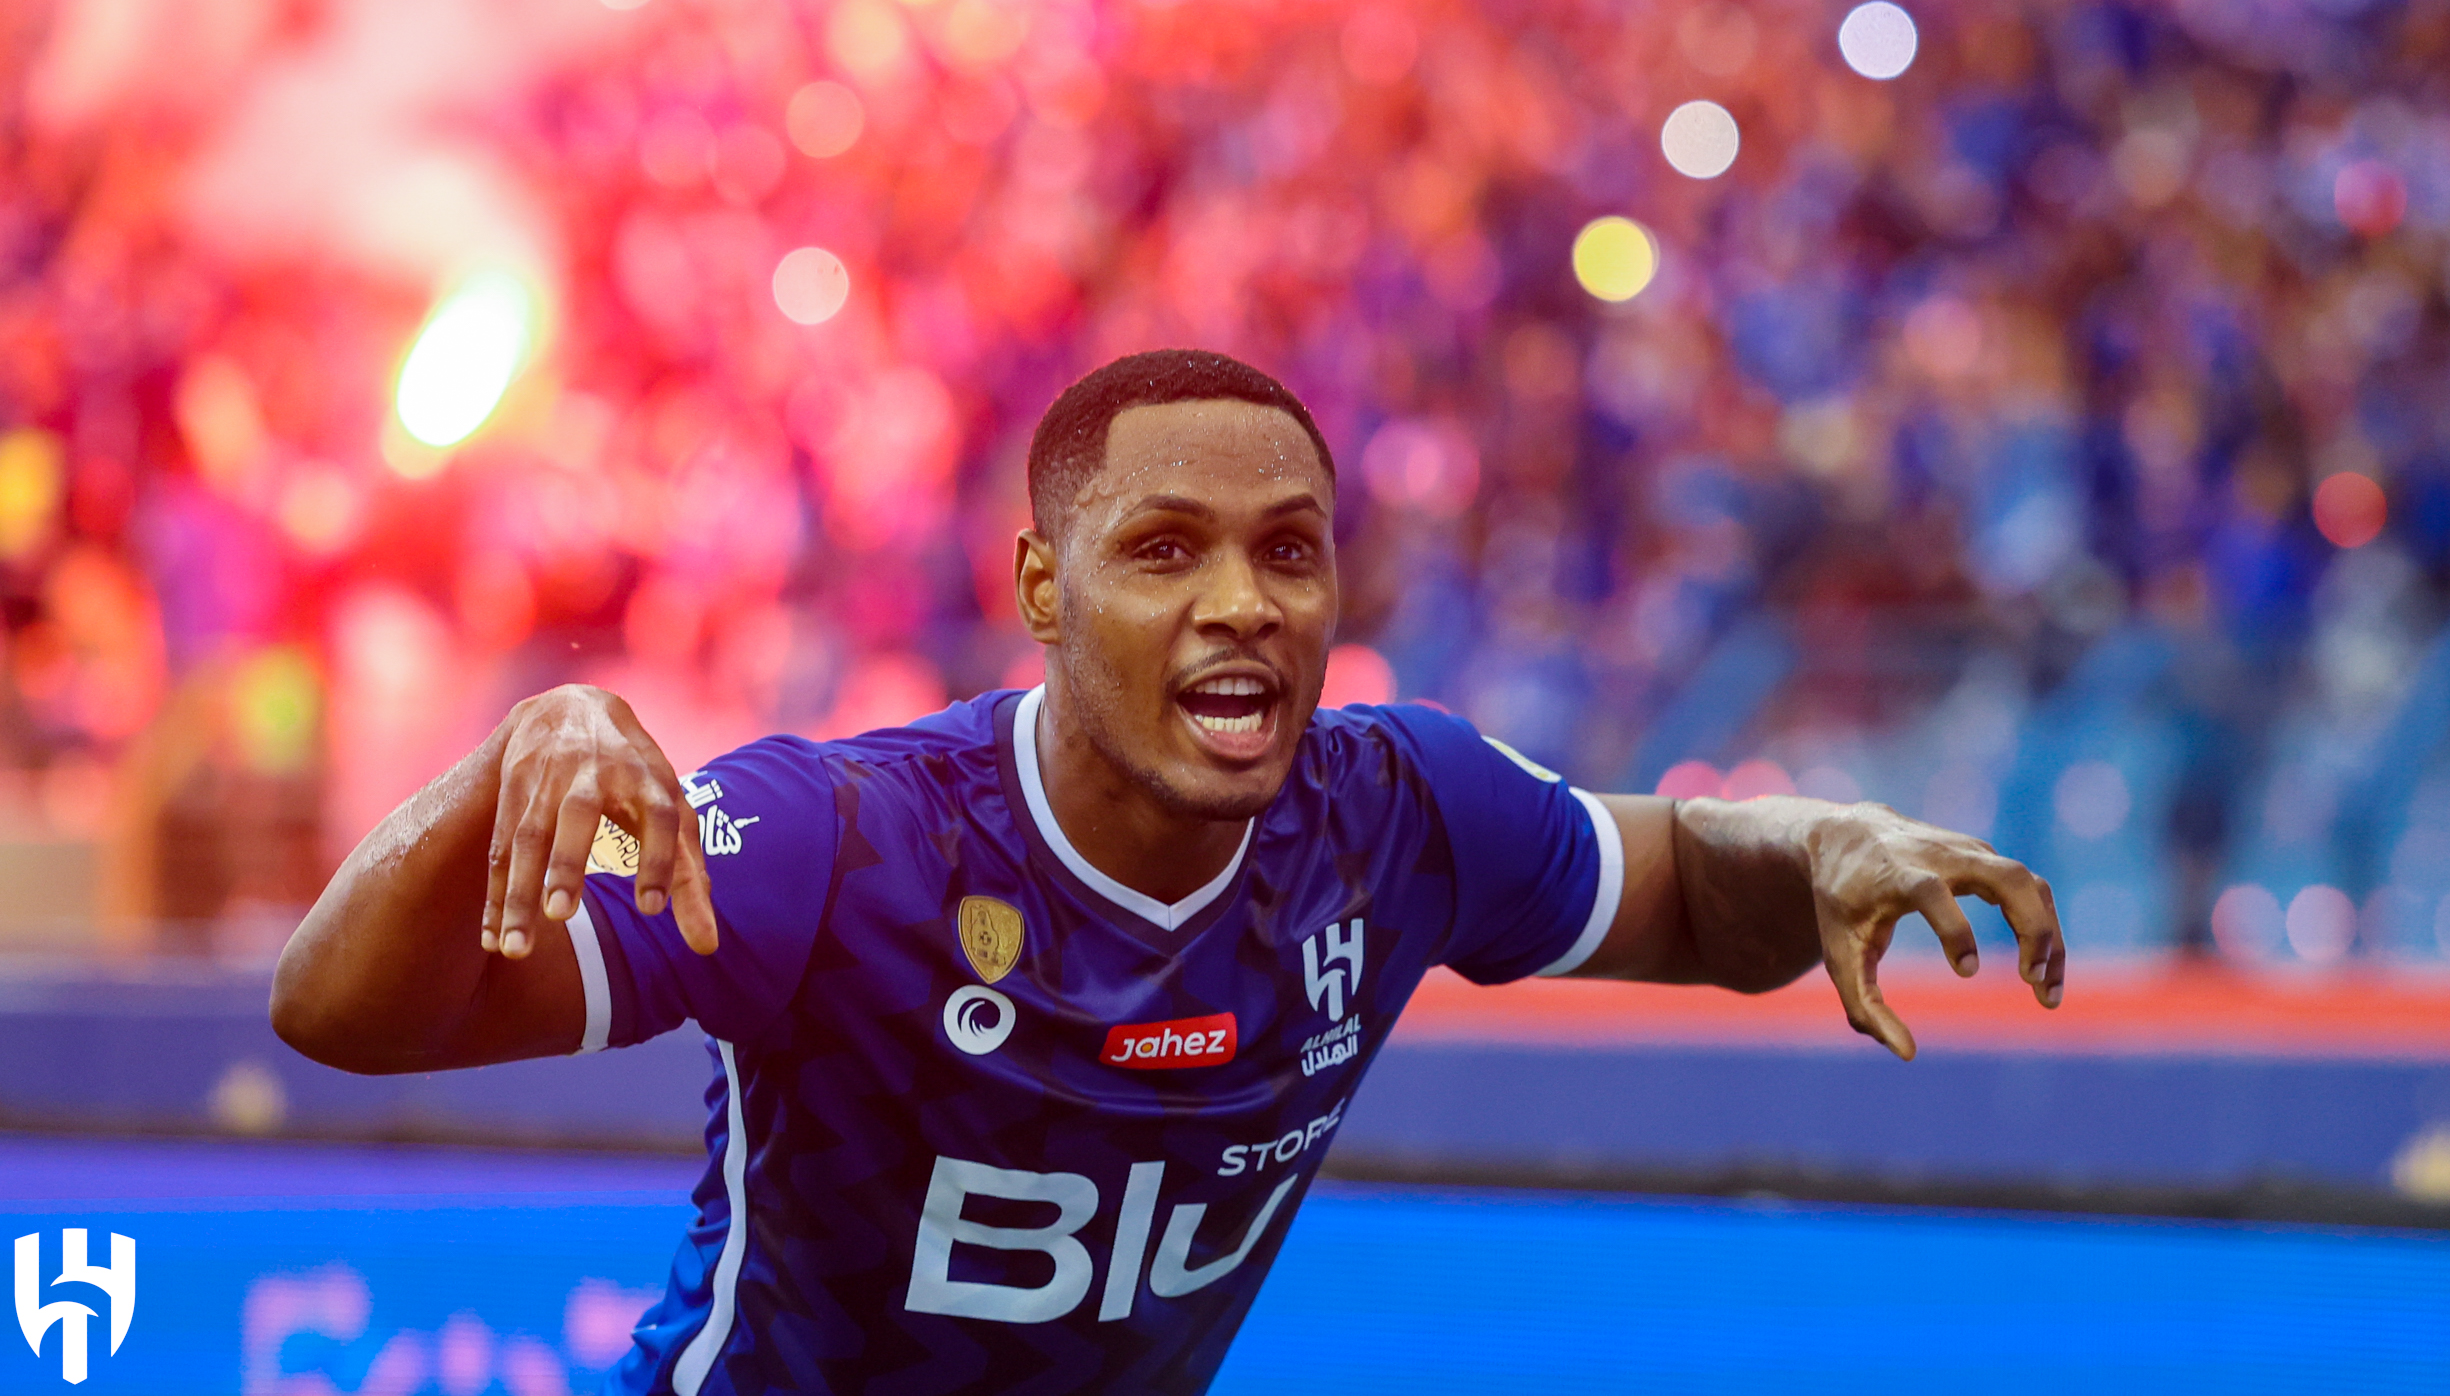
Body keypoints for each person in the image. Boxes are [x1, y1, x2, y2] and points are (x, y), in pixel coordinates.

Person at [272, 347, 2066, 1395]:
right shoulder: (837, 838)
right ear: (1043, 593)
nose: (1242, 602)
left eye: (1290, 551)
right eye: (1164, 551)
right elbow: (342, 1012)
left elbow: (1681, 890)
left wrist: (1826, 843)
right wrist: (505, 762)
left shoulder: (1402, 815)